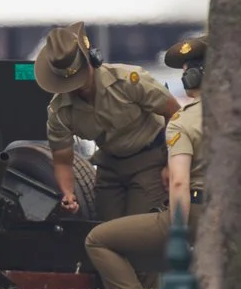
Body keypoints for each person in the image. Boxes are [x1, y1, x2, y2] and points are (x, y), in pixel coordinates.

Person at [87, 35, 207, 289]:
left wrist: (176, 233)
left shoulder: (182, 122)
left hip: (199, 211)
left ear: (193, 77)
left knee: (98, 239)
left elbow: (179, 181)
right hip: (236, 212)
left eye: (186, 72)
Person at [35, 22, 180, 221]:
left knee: (135, 229)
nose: (78, 88)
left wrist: (172, 163)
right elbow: (62, 159)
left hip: (150, 158)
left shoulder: (128, 81)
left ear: (92, 61)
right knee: (103, 230)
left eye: (80, 79)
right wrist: (68, 193)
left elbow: (174, 114)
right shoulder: (60, 110)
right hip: (109, 165)